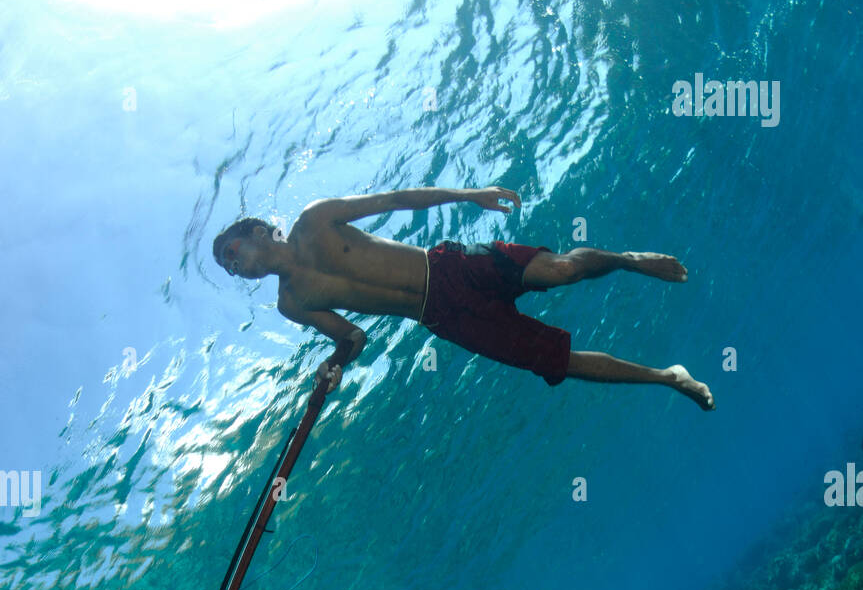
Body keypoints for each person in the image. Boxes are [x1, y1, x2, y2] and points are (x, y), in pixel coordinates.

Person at [213, 187, 715, 411]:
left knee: (562, 270)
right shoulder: (292, 304)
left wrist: (470, 194)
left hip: (449, 265)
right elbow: (352, 335)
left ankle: (627, 258)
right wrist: (336, 362)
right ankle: (669, 376)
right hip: (444, 317)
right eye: (229, 268)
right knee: (562, 362)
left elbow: (395, 200)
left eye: (233, 252)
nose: (236, 266)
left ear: (258, 230)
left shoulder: (315, 219)